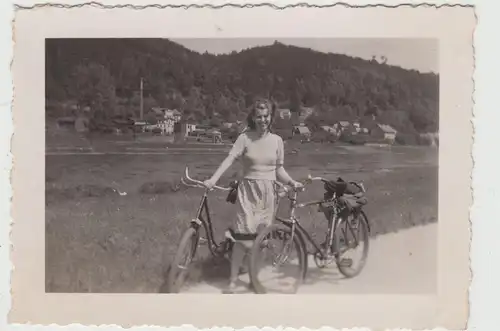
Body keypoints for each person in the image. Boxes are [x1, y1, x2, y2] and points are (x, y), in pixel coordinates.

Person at [203, 98, 303, 293]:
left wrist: (291, 182)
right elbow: (229, 160)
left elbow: (279, 169)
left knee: (262, 240)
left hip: (268, 194)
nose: (263, 120)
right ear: (253, 118)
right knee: (241, 240)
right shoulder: (245, 138)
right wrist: (213, 179)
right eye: (259, 116)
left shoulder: (277, 141)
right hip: (247, 193)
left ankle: (253, 279)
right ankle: (232, 280)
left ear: (271, 117)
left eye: (266, 116)